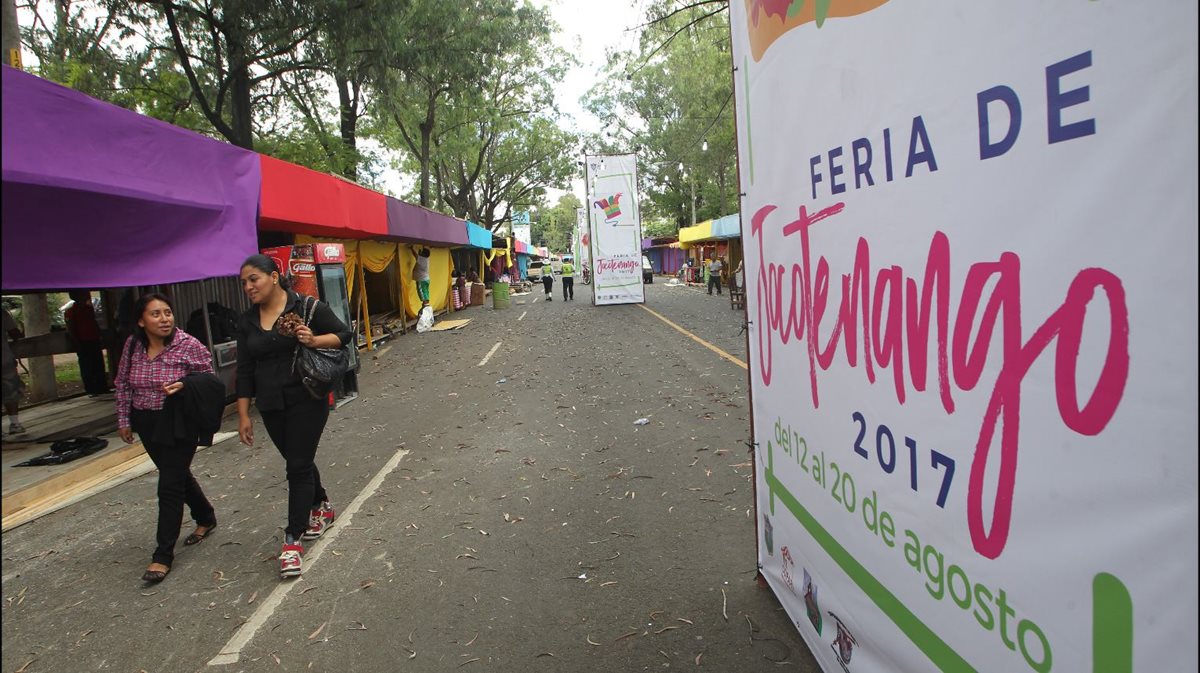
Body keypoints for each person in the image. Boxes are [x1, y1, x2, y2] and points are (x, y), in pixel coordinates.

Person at [236, 254, 354, 578]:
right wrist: (243, 414)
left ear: (274, 277)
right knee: (298, 459)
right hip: (271, 405)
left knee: (297, 466)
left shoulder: (306, 307)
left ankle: (292, 540)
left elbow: (344, 335)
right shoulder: (246, 321)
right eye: (244, 282)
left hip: (307, 397)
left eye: (253, 279)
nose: (248, 287)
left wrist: (314, 339)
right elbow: (245, 371)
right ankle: (323, 506)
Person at [114, 293, 219, 583]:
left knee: (169, 486)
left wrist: (184, 384)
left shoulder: (188, 344)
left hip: (178, 422)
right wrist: (124, 419)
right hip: (146, 422)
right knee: (177, 475)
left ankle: (162, 556)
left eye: (168, 313)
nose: (164, 319)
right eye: (156, 314)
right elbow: (122, 383)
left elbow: (210, 380)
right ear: (141, 320)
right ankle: (206, 517)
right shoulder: (133, 345)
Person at [65, 290, 109, 395]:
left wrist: (99, 335)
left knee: (98, 364)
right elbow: (71, 328)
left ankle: (102, 387)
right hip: (82, 341)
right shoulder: (71, 311)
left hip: (93, 339)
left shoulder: (89, 309)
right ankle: (91, 389)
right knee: (87, 366)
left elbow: (94, 323)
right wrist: (76, 342)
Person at [3, 306, 26, 435]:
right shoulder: (2, 312)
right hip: (4, 359)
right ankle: (15, 423)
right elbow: (15, 334)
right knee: (10, 391)